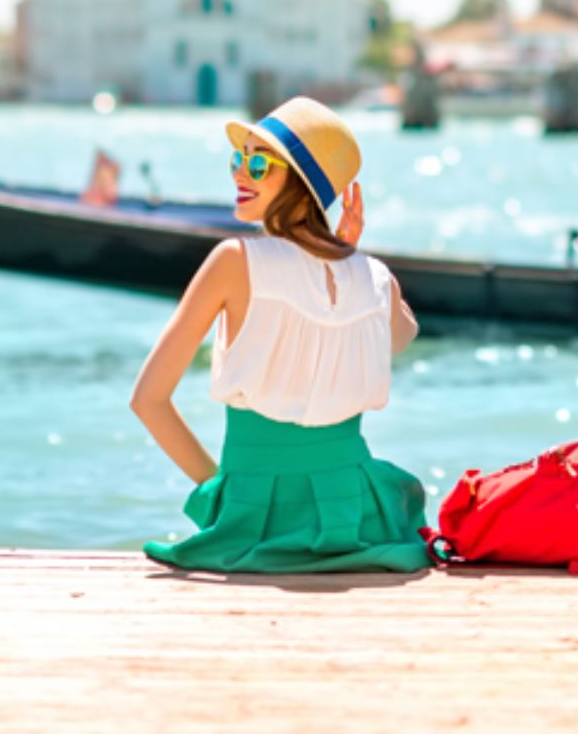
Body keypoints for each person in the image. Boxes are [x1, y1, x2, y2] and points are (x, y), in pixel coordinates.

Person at [132, 96, 432, 573]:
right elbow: (398, 336)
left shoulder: (233, 261)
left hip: (256, 519)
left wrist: (221, 498)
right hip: (357, 515)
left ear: (302, 183)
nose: (239, 174)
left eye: (258, 162)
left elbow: (147, 400)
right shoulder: (375, 278)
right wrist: (348, 256)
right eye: (238, 159)